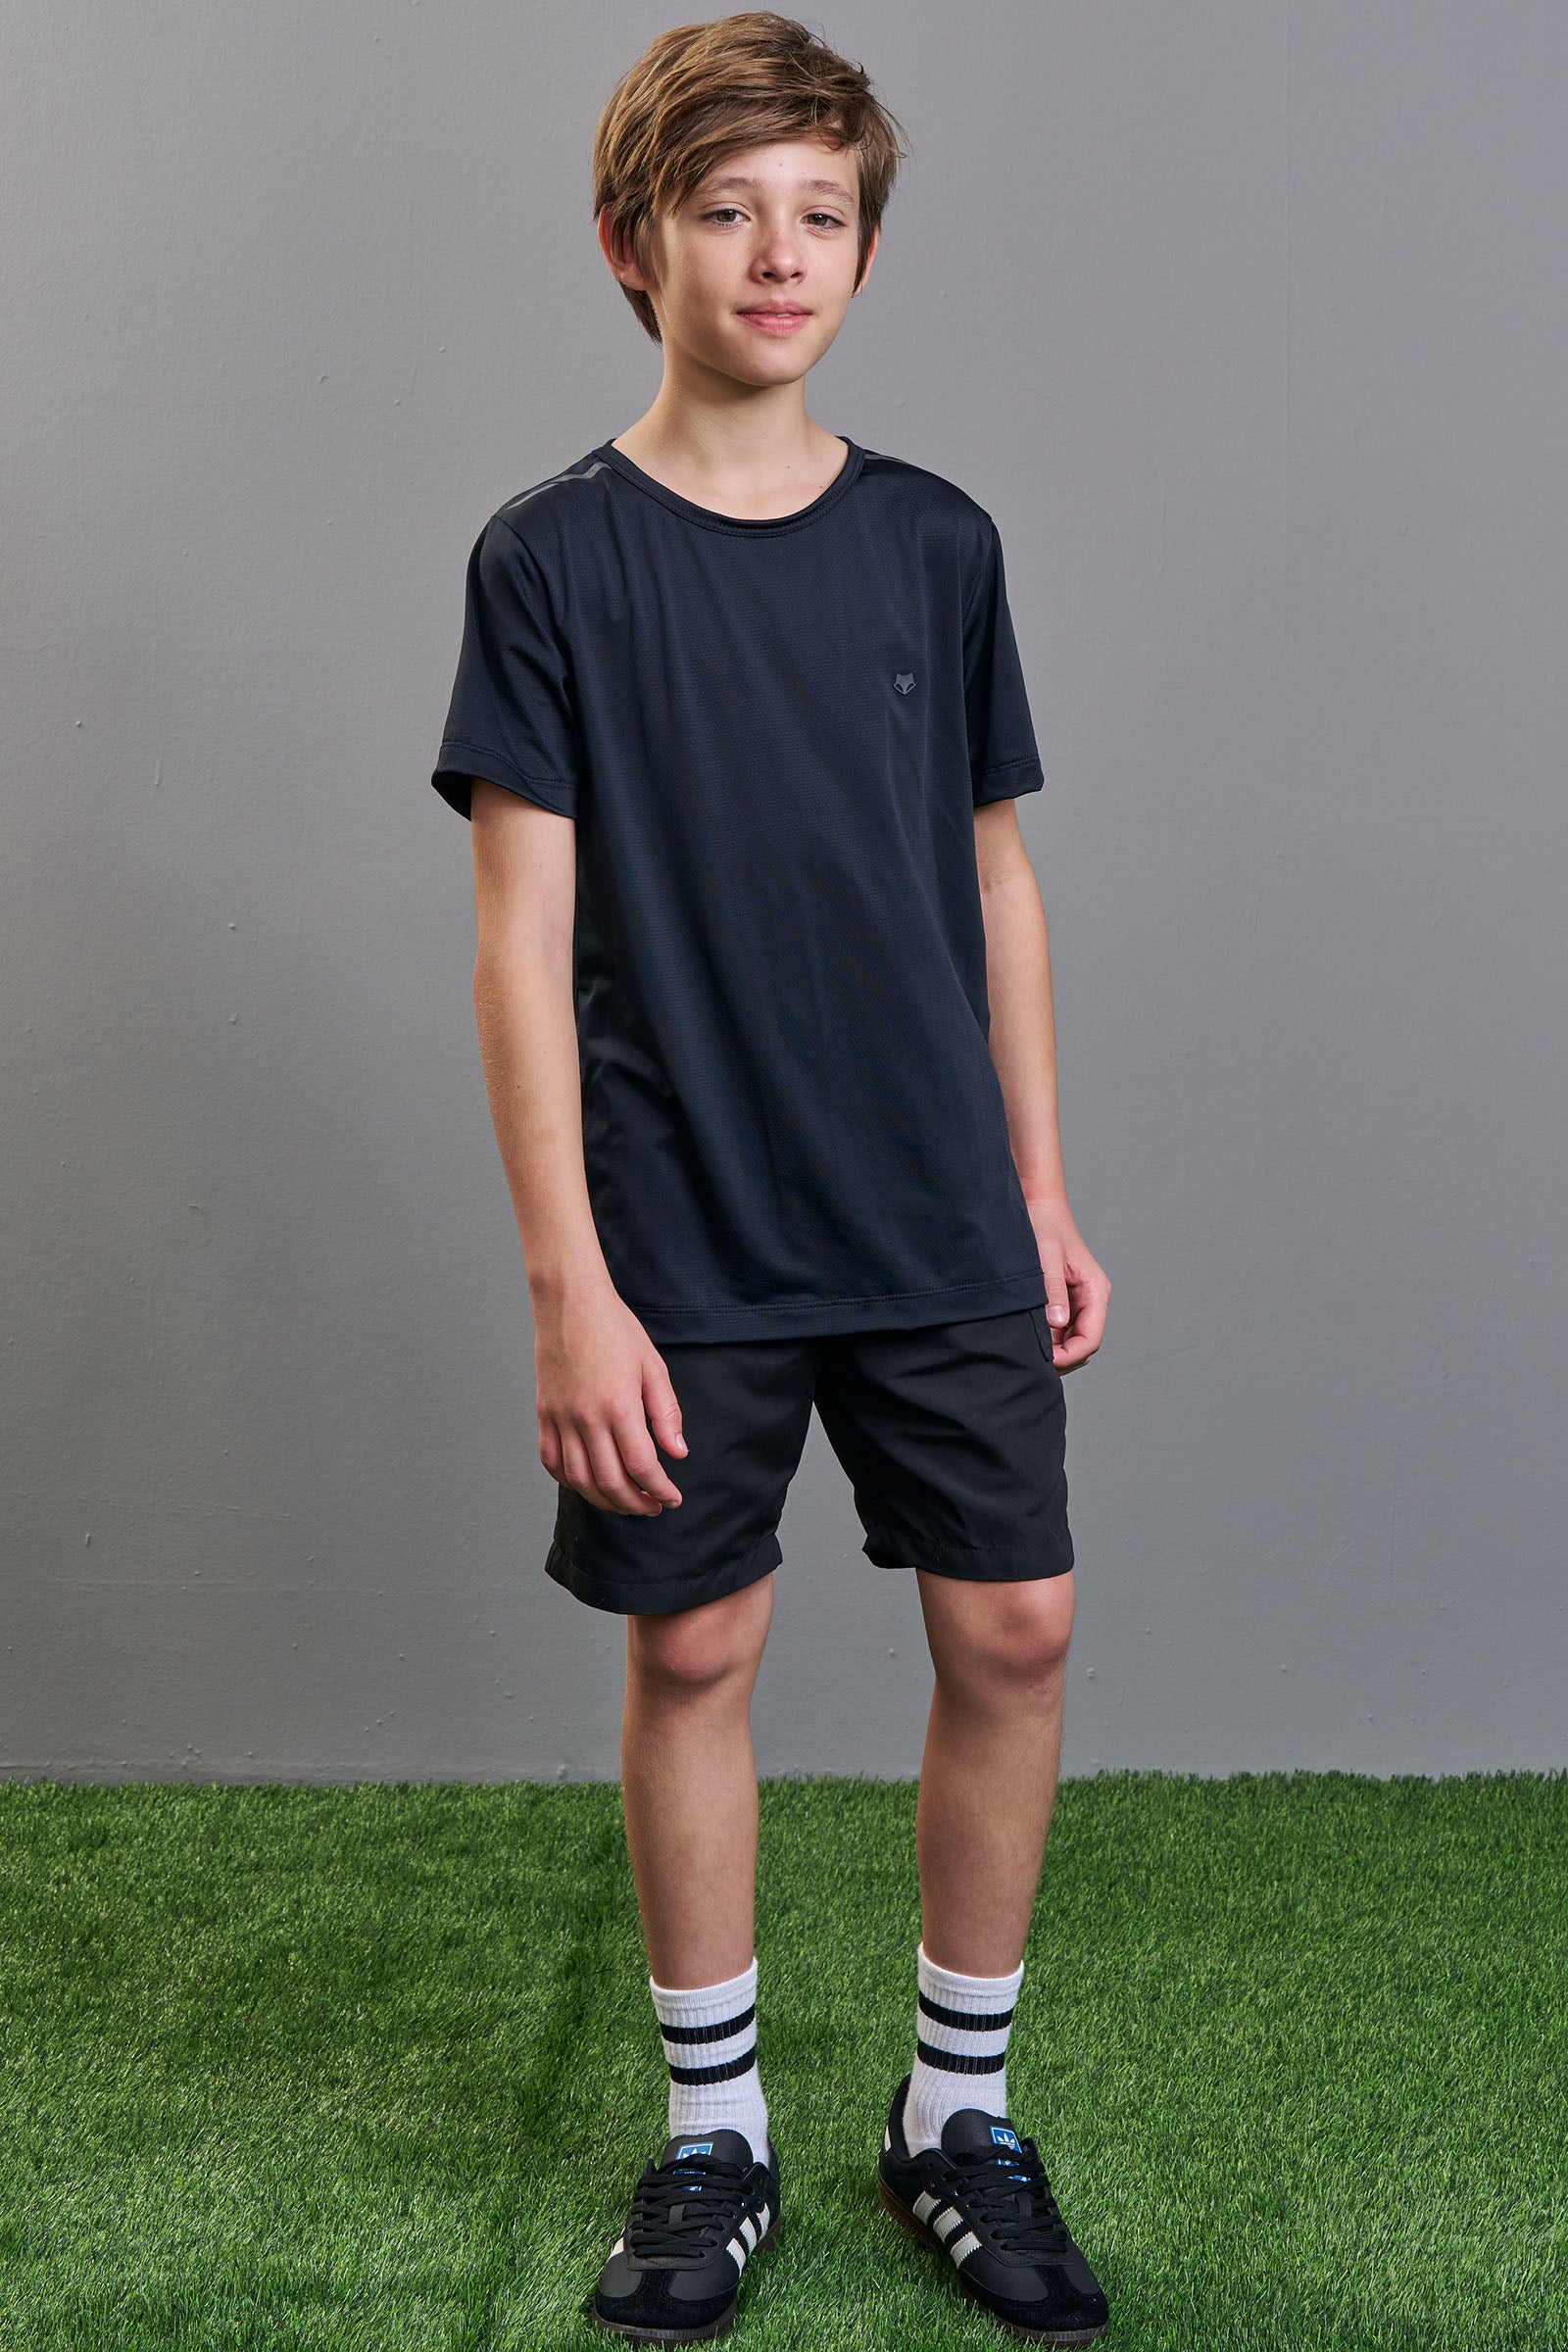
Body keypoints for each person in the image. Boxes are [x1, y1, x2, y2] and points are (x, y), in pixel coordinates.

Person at [429, 12, 1112, 2341]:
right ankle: (710, 2135)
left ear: (864, 249)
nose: (776, 251)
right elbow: (517, 943)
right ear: (631, 245)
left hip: (929, 1200)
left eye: (818, 211)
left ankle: (952, 2113)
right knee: (698, 1638)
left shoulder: (934, 544)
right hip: (684, 1226)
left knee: (1013, 1626)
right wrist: (568, 1284)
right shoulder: (551, 560)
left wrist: (1036, 1188)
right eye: (725, 209)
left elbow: (992, 882)